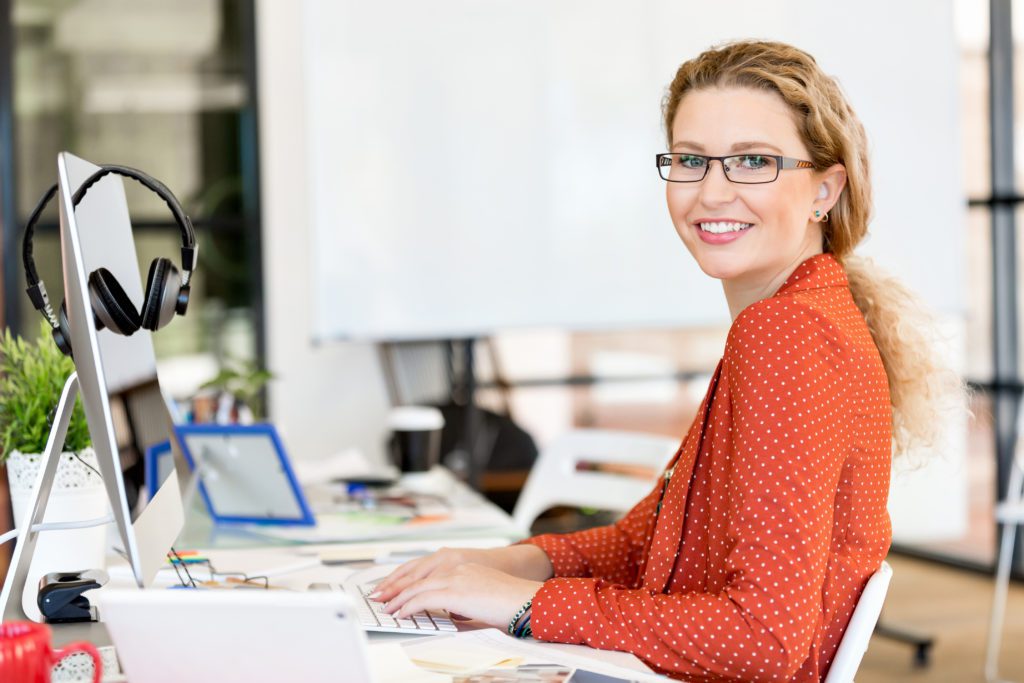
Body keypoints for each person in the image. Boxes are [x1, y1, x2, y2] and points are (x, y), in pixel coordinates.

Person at [373, 39, 960, 681]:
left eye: (753, 161)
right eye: (690, 160)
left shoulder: (786, 333)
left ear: (825, 188)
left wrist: (523, 605)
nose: (711, 192)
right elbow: (647, 541)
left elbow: (762, 638)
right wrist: (511, 564)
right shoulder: (799, 316)